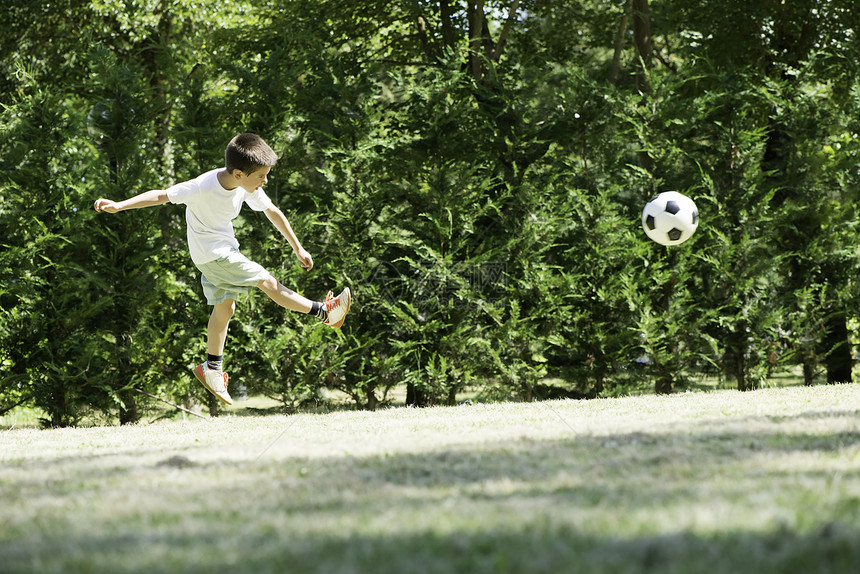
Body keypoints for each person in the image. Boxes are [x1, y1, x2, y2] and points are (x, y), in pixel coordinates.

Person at [93, 133, 351, 406]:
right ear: (239, 173)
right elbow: (161, 195)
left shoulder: (245, 185)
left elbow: (272, 211)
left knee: (225, 308)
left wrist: (298, 247)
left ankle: (212, 369)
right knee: (266, 280)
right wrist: (120, 205)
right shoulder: (201, 187)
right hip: (215, 255)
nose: (265, 181)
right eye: (261, 176)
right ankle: (325, 313)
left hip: (218, 253)